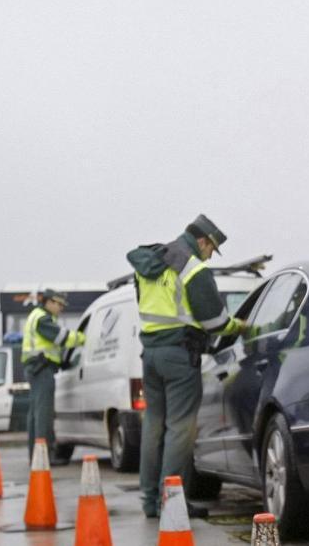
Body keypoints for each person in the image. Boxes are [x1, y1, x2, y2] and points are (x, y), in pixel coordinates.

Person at [127, 213, 245, 519]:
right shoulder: (193, 270)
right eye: (211, 250)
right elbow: (216, 322)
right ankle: (172, 500)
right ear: (203, 241)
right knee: (180, 430)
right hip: (180, 357)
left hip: (151, 355)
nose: (209, 256)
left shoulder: (151, 261)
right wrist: (240, 326)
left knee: (154, 427)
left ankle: (150, 500)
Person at [21, 288, 84, 462]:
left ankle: (37, 455)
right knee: (43, 415)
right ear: (49, 302)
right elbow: (62, 338)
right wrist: (83, 338)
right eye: (60, 304)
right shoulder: (43, 319)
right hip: (41, 369)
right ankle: (45, 455)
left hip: (37, 368)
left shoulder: (37, 316)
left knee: (36, 414)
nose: (61, 308)